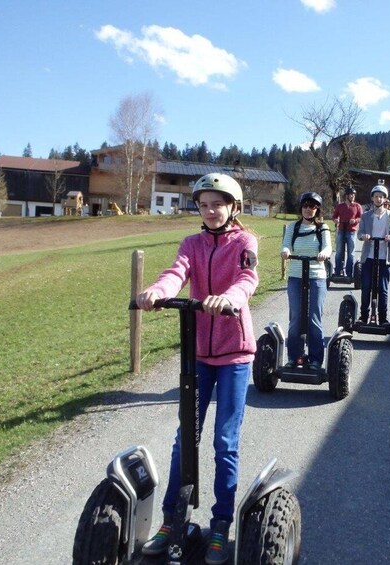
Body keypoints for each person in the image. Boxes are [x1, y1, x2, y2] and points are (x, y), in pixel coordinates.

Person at [134, 173, 258, 565]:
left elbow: (248, 278)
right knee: (184, 437)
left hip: (235, 353)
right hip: (199, 354)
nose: (210, 211)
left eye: (217, 204)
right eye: (203, 204)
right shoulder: (191, 242)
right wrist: (158, 291)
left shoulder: (244, 242)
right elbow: (177, 271)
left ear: (233, 207)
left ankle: (220, 523)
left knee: (225, 440)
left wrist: (230, 298)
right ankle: (173, 519)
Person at [280, 191, 332, 369]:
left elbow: (327, 247)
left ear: (317, 209)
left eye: (312, 206)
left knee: (313, 318)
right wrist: (286, 251)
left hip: (316, 277)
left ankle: (316, 359)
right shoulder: (293, 227)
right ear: (301, 208)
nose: (308, 209)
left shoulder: (322, 228)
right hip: (295, 276)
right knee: (295, 318)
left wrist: (324, 254)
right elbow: (286, 244)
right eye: (305, 206)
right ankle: (294, 357)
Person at [357, 185, 390, 326]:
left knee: (383, 288)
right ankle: (363, 316)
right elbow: (359, 233)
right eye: (376, 196)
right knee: (366, 287)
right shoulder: (365, 216)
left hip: (384, 257)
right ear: (372, 198)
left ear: (384, 198)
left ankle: (383, 318)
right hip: (368, 256)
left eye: (381, 196)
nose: (378, 198)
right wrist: (364, 236)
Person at [332, 187, 362, 278]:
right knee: (339, 252)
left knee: (351, 253)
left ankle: (349, 273)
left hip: (351, 231)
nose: (352, 196)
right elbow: (334, 216)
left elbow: (361, 217)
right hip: (341, 230)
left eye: (353, 194)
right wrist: (335, 220)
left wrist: (355, 220)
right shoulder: (340, 206)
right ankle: (338, 271)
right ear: (347, 196)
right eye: (351, 194)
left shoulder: (357, 206)